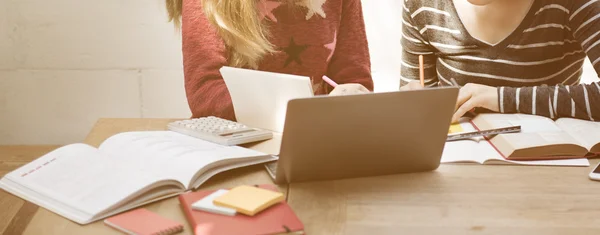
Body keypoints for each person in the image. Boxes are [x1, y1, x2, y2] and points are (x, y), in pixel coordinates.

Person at [165, 0, 373, 119]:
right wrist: (305, 112)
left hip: (315, 141)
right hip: (235, 146)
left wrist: (352, 98)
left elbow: (354, 78)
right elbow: (204, 92)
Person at [400, 0, 600, 123]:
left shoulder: (575, 3)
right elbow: (416, 106)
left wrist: (501, 99)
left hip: (550, 168)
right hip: (457, 168)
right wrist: (406, 106)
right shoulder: (421, 5)